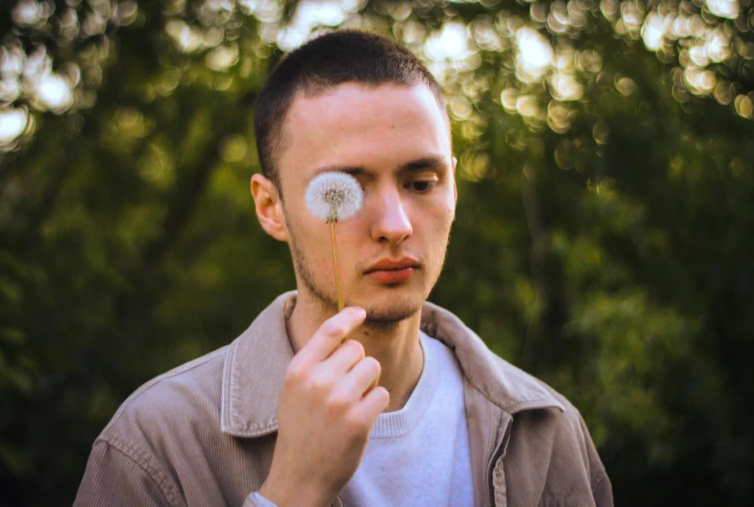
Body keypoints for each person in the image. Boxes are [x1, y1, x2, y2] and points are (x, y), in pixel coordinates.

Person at [75, 30, 613, 507]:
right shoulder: (156, 445)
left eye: (421, 182)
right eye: (344, 188)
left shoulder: (544, 432)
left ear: (453, 184)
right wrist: (289, 498)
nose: (395, 224)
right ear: (271, 208)